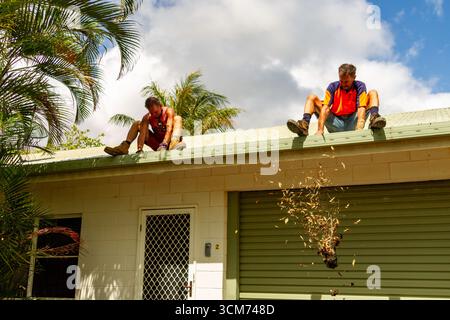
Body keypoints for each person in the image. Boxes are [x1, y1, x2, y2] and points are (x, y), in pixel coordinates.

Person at [287, 63, 386, 136]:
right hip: (336, 123)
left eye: (346, 81)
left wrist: (359, 128)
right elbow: (325, 109)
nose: (343, 84)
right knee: (311, 97)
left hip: (353, 121)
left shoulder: (359, 86)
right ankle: (304, 127)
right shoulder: (333, 87)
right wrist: (320, 130)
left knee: (373, 92)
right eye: (341, 81)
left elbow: (361, 107)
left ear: (354, 77)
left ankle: (374, 120)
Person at [104, 97, 185, 156]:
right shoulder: (148, 117)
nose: (153, 114)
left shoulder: (168, 111)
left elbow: (169, 128)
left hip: (170, 143)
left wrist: (164, 144)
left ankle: (174, 144)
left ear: (160, 106)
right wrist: (140, 150)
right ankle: (124, 147)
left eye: (155, 112)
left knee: (178, 118)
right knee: (137, 123)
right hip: (158, 146)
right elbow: (142, 134)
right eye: (151, 112)